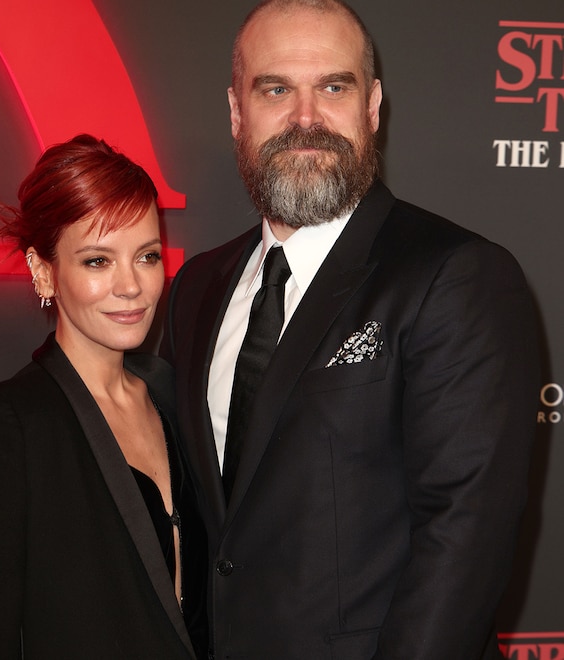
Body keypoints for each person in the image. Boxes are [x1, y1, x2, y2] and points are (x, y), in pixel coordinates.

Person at [160, 1, 539, 658]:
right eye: (276, 89)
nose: (306, 117)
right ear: (236, 112)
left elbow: (463, 537)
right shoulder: (197, 287)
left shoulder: (454, 275)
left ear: (373, 107)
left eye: (334, 87)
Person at [0, 134, 206, 659]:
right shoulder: (4, 426)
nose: (131, 285)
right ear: (44, 271)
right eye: (98, 261)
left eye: (147, 256)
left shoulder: (175, 396)